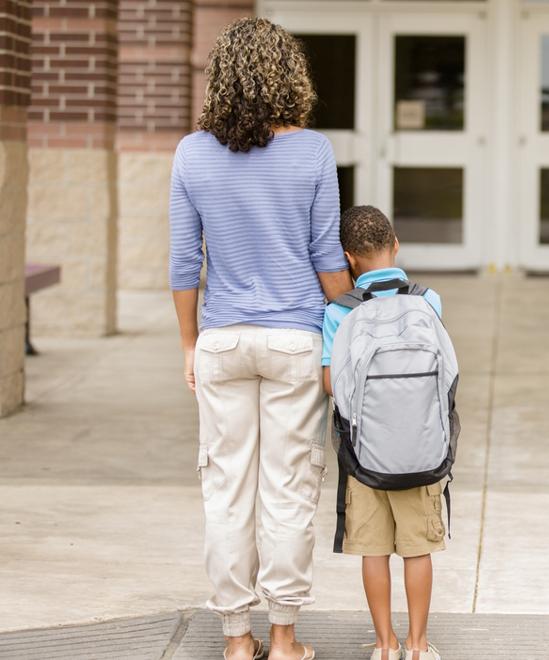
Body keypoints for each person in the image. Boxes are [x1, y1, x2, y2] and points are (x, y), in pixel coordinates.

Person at [168, 17, 352, 660]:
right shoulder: (314, 151)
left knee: (225, 491)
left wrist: (191, 343)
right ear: (287, 74)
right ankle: (284, 638)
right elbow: (328, 257)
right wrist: (354, 317)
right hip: (294, 341)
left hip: (222, 341)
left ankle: (236, 640)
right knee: (289, 489)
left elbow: (183, 264)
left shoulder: (192, 152)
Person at [322, 206, 446, 660]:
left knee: (374, 550)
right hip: (422, 449)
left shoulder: (340, 311)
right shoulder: (427, 301)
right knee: (418, 549)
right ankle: (417, 645)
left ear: (350, 258)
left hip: (365, 454)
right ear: (395, 244)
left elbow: (331, 383)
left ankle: (384, 644)